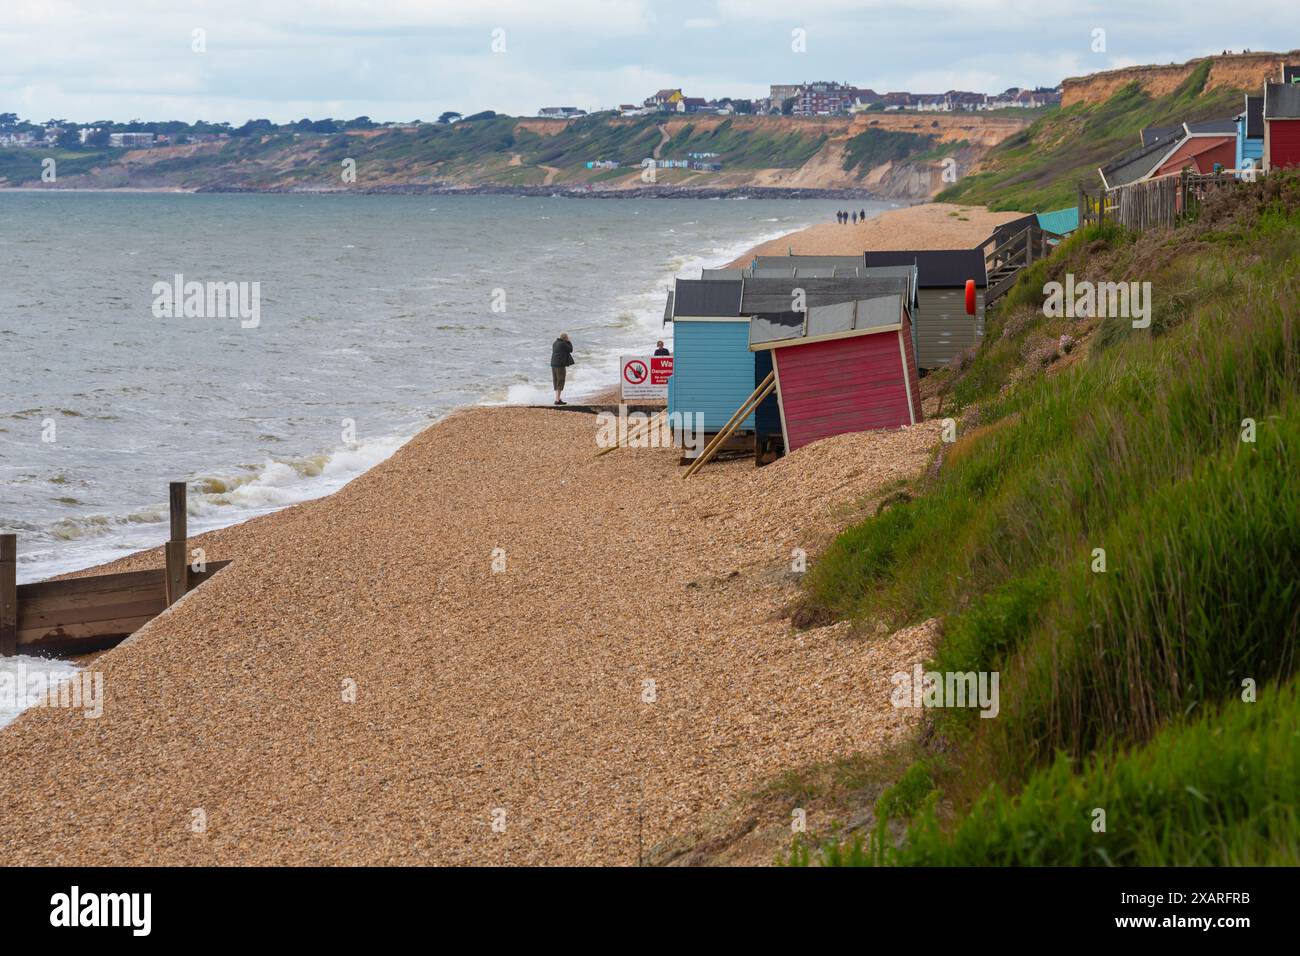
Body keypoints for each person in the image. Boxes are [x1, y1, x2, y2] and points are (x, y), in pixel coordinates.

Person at [550, 333, 574, 405]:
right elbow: (570, 349)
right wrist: (569, 341)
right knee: (560, 381)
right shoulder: (563, 344)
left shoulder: (555, 343)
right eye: (567, 338)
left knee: (556, 380)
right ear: (565, 338)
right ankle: (557, 400)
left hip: (553, 364)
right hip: (559, 365)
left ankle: (558, 398)